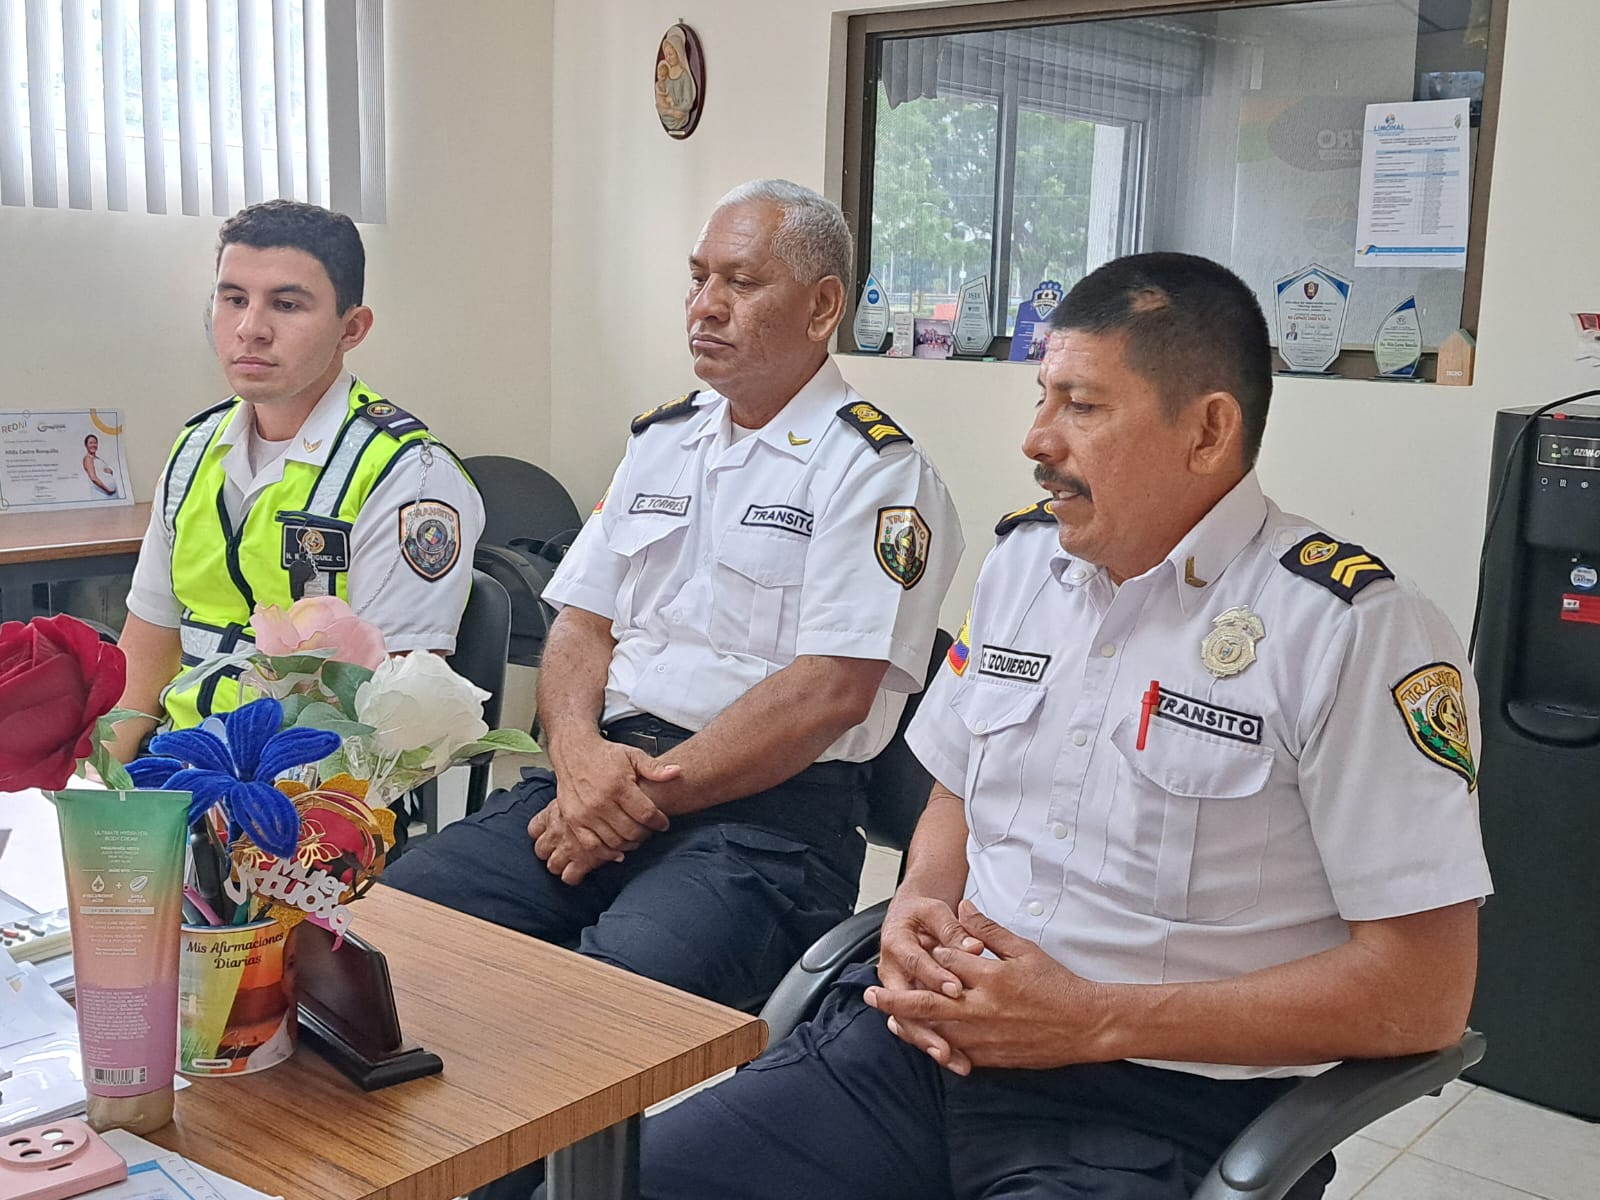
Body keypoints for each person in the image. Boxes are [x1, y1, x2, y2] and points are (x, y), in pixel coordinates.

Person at [635, 252, 1492, 1200]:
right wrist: (919, 900)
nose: (1037, 439)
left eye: (1081, 407)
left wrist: (1094, 1019)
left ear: (1209, 430)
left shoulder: (1351, 630)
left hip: (1150, 1102)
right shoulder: (1024, 566)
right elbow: (957, 792)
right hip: (922, 1049)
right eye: (1042, 397)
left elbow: (1423, 993)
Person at [385, 178, 961, 1017]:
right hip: (598, 776)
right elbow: (581, 623)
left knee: (594, 1008)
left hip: (764, 824)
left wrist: (633, 798)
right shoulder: (663, 441)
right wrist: (576, 757)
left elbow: (829, 691)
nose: (705, 306)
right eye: (697, 279)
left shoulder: (877, 473)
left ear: (822, 306)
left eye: (741, 282)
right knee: (393, 924)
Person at [111, 200, 484, 758]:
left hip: (313, 787)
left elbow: (389, 717)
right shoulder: (194, 449)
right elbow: (146, 651)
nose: (250, 329)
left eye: (286, 305)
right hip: (175, 770)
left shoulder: (409, 475)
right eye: (233, 299)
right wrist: (100, 786)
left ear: (351, 329)